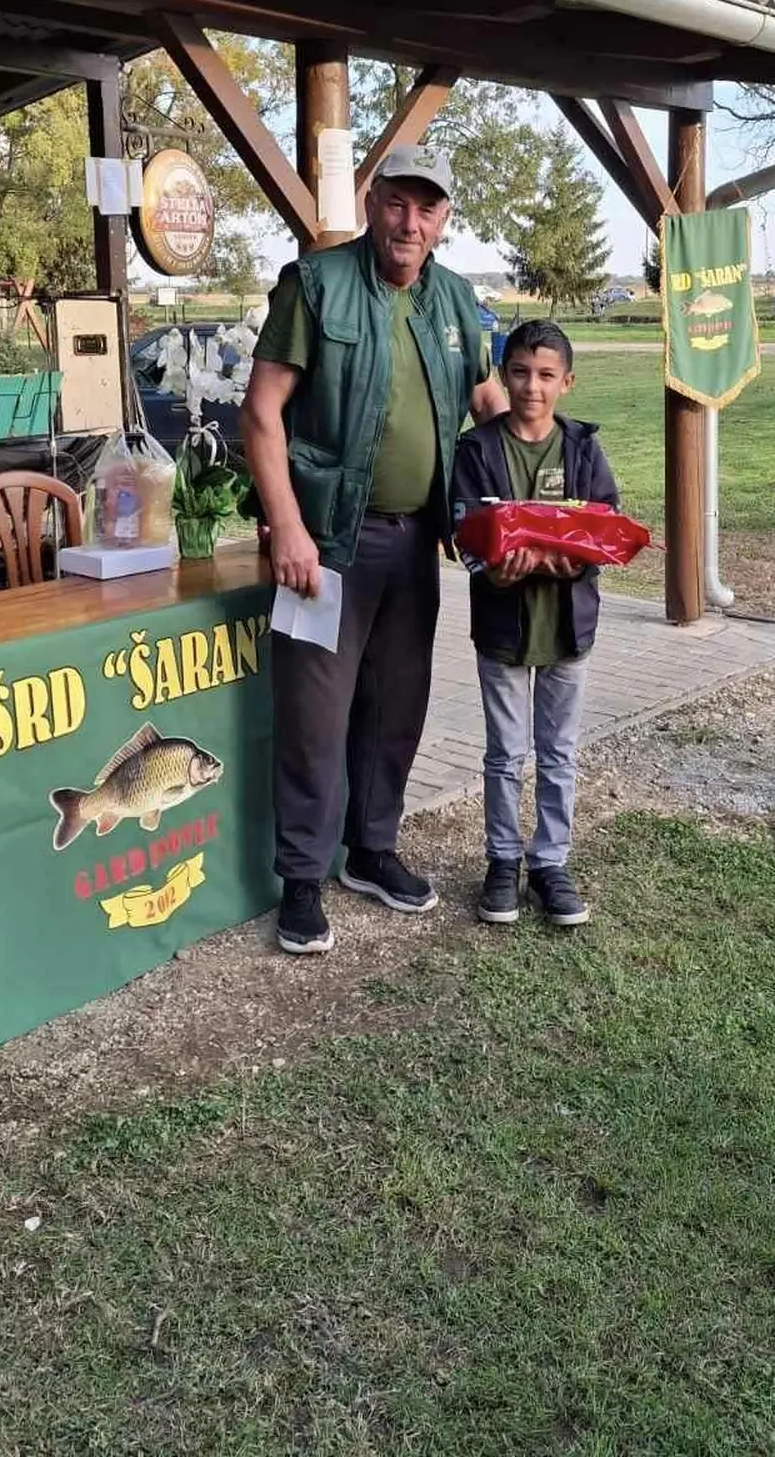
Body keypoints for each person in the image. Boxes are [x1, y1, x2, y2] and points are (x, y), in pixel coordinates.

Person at [241, 144, 506, 957]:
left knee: (397, 706)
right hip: (326, 546)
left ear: (444, 220)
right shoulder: (315, 286)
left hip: (416, 544)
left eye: (428, 208)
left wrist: (528, 497)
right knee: (314, 716)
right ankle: (301, 880)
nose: (410, 222)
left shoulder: (456, 300)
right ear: (373, 201)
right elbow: (261, 412)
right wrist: (286, 524)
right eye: (397, 202)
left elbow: (489, 402)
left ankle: (373, 849)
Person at [450, 320, 619, 929]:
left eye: (546, 376)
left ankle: (550, 862)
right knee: (504, 754)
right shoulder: (477, 451)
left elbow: (606, 528)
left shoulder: (582, 448)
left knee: (559, 752)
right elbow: (464, 535)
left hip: (567, 630)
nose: (532, 387)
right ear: (502, 375)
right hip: (502, 629)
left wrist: (567, 558)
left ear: (566, 383)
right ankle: (502, 860)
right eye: (519, 372)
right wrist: (495, 573)